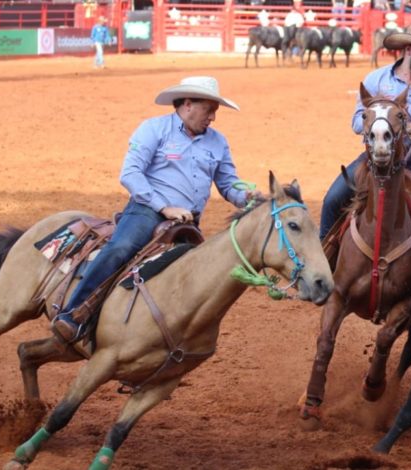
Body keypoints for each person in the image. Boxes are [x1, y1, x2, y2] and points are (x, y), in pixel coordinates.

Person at [51, 77, 261, 343]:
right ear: (187, 105)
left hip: (187, 223)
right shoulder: (154, 129)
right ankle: (73, 315)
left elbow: (228, 184)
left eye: (215, 111)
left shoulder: (218, 142)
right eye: (209, 110)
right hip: (147, 211)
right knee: (120, 248)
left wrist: (246, 197)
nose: (213, 118)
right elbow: (130, 173)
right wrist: (165, 207)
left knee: (198, 280)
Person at [319, 23, 411, 245]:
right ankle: (324, 257)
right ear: (408, 50)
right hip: (376, 156)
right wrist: (376, 116)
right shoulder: (376, 79)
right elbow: (357, 122)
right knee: (332, 201)